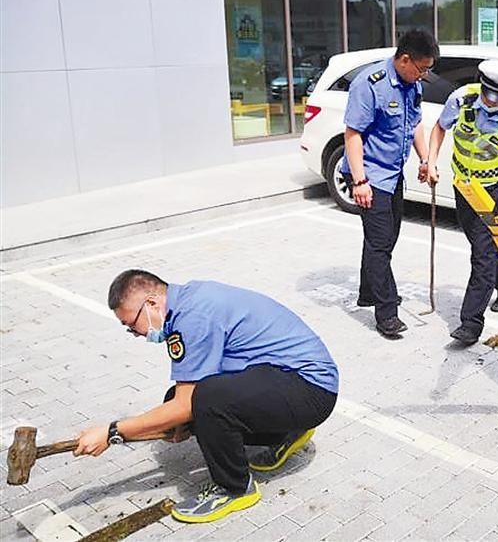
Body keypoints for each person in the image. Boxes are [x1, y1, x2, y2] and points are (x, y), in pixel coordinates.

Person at [74, 270, 339, 524]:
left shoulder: (192, 316)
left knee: (207, 401)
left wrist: (111, 432)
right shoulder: (190, 301)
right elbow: (181, 400)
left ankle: (234, 488)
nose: (135, 334)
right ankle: (284, 433)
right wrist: (177, 424)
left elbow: (188, 404)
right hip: (287, 381)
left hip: (311, 389)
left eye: (131, 324)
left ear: (152, 303)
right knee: (185, 402)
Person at [342, 29, 439, 338]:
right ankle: (386, 313)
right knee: (381, 243)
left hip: (392, 173)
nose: (423, 74)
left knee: (383, 238)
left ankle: (368, 292)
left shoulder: (412, 85)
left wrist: (425, 159)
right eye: (421, 68)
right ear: (405, 59)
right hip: (368, 175)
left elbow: (414, 125)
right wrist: (360, 181)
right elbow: (353, 134)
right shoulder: (370, 86)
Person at [426, 60, 498, 346]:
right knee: (483, 245)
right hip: (465, 186)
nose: (492, 101)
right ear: (482, 84)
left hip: (495, 189)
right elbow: (439, 128)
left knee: (482, 254)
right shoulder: (461, 99)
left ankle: (470, 324)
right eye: (489, 94)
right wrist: (431, 162)